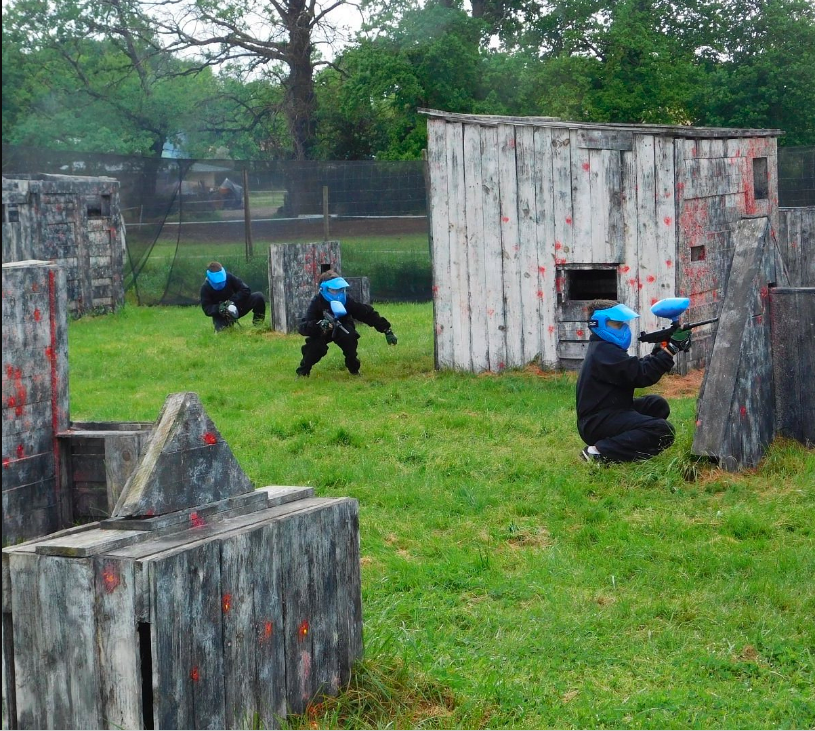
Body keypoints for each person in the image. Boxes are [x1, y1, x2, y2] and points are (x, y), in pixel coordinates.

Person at [575, 299, 691, 463]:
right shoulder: (603, 351)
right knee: (662, 430)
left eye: (623, 324)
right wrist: (671, 349)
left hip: (609, 412)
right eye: (617, 324)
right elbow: (642, 375)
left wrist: (659, 351)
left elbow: (632, 368)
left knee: (656, 404)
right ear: (600, 324)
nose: (623, 328)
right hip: (597, 423)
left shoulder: (604, 349)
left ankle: (626, 444)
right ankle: (599, 452)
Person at [296, 270, 397, 377]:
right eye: (334, 290)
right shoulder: (317, 302)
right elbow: (303, 327)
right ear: (324, 289)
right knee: (314, 347)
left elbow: (366, 313)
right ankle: (303, 372)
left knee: (350, 339)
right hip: (322, 330)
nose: (338, 293)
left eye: (341, 289)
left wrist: (386, 329)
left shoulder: (346, 300)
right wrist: (319, 325)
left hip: (342, 326)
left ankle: (354, 370)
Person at [200, 261, 266, 331]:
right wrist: (220, 308)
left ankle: (258, 325)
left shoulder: (229, 277)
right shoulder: (205, 288)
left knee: (258, 297)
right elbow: (207, 309)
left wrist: (232, 301)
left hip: (237, 307)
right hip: (222, 315)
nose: (220, 284)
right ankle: (226, 325)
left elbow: (245, 290)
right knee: (223, 334)